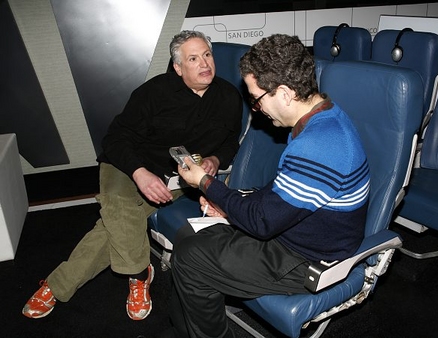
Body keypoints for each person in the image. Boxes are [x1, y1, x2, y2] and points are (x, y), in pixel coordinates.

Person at [22, 30, 242, 320]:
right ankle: (139, 273)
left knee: (114, 223)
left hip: (178, 174)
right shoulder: (153, 93)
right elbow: (115, 139)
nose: (204, 63)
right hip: (128, 165)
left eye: (207, 55)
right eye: (193, 58)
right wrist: (139, 174)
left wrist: (215, 158)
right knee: (119, 205)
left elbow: (229, 141)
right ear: (178, 67)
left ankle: (55, 285)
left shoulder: (228, 96)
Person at [165, 34, 371, 337]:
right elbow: (281, 195)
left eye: (257, 99)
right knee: (188, 235)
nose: (257, 109)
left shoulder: (319, 146)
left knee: (190, 259)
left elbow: (262, 222)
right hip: (292, 233)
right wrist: (229, 204)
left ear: (285, 93)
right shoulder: (321, 119)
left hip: (309, 259)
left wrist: (205, 182)